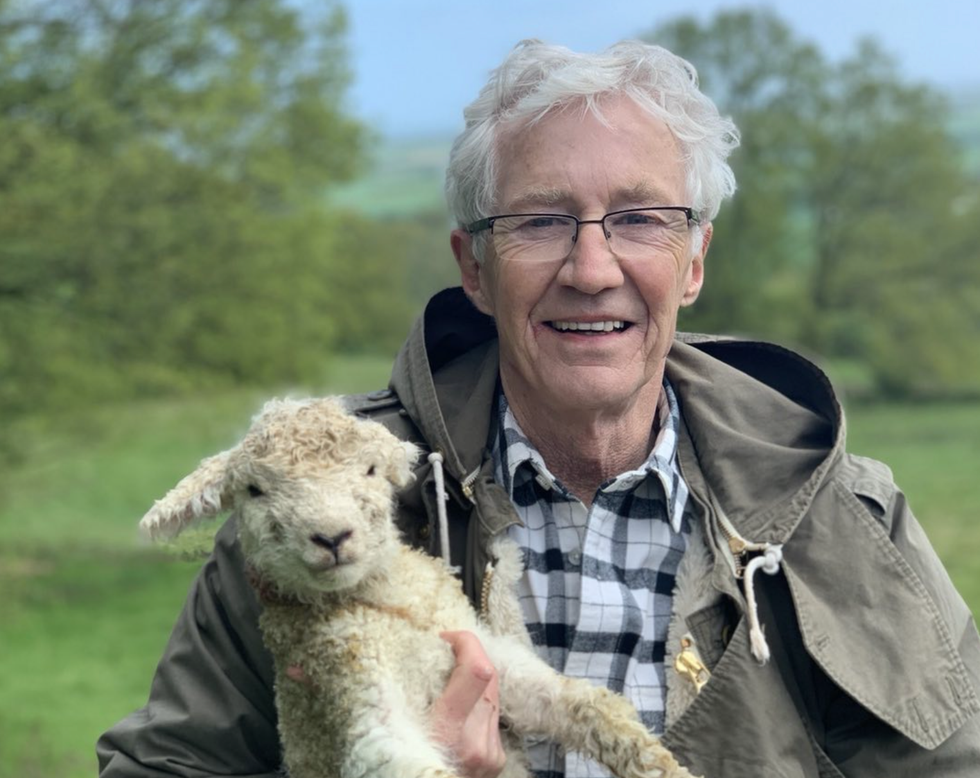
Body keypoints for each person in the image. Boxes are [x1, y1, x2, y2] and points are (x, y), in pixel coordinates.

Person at [98, 39, 980, 778]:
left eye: (639, 219)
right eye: (541, 221)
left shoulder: (842, 516)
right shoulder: (315, 511)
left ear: (696, 260)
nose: (592, 269)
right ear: (474, 267)